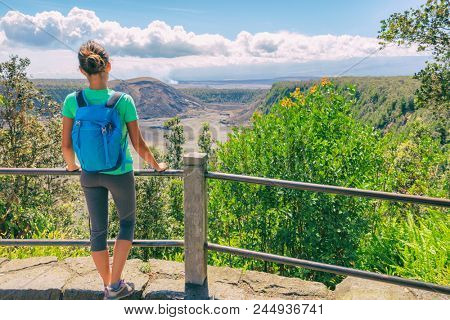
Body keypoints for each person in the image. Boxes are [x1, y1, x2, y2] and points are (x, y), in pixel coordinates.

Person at [61, 40, 168, 300]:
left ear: (82, 71)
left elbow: (66, 145)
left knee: (97, 231)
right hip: (119, 173)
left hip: (89, 174)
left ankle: (107, 285)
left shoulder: (72, 101)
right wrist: (157, 165)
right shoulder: (124, 101)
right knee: (126, 223)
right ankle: (116, 284)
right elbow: (138, 144)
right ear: (108, 66)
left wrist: (73, 166)